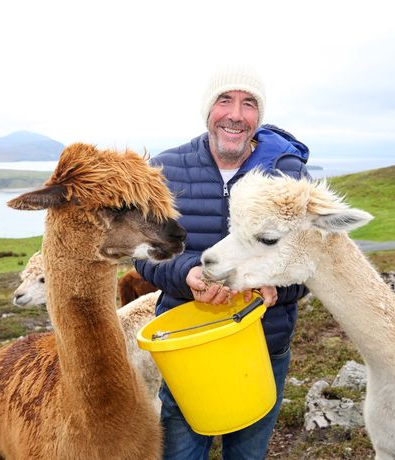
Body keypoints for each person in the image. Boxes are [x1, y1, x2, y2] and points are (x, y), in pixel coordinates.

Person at [135, 64, 310, 460]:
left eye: (249, 104)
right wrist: (188, 272)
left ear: (258, 117)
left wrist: (276, 285)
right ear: (207, 109)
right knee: (180, 452)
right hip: (187, 350)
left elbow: (309, 263)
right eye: (225, 100)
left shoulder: (288, 173)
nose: (236, 114)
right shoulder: (166, 170)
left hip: (262, 346)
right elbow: (144, 258)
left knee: (247, 454)